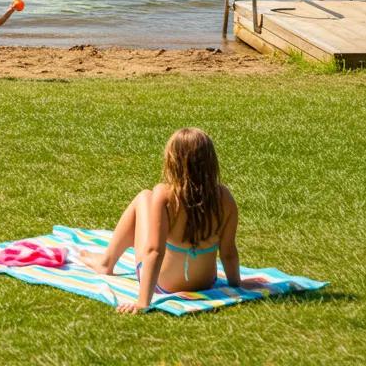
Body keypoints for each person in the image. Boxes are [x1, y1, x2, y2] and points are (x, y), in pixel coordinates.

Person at [79, 128, 245, 313]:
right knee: (147, 198)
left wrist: (143, 302)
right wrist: (236, 286)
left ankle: (106, 263)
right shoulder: (225, 198)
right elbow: (229, 252)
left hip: (163, 285)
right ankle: (105, 262)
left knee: (143, 197)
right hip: (206, 283)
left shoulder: (165, 195)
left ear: (172, 161)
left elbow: (154, 251)